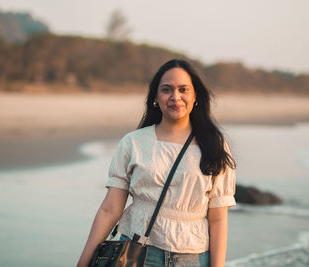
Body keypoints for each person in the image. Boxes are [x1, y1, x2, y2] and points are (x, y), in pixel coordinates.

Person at [77, 59, 236, 267]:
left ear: (195, 95)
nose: (175, 97)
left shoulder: (214, 145)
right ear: (155, 97)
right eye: (167, 90)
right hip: (137, 255)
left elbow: (218, 219)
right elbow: (110, 209)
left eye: (183, 89)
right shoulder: (133, 143)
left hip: (193, 259)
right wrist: (84, 262)